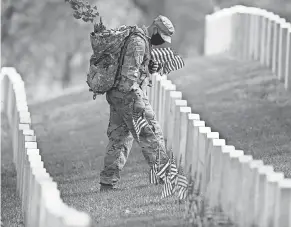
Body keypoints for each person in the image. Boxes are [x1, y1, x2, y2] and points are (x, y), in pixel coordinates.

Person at [100, 15, 175, 191]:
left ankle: (107, 183)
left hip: (117, 95)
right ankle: (166, 179)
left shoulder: (138, 39)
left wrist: (149, 68)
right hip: (129, 95)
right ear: (155, 29)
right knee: (151, 134)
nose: (162, 42)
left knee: (119, 139)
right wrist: (138, 100)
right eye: (162, 38)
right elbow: (128, 76)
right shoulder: (139, 43)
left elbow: (129, 67)